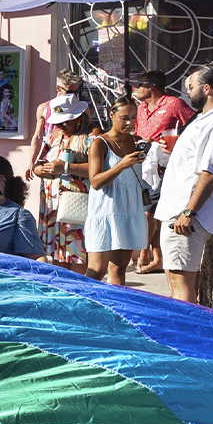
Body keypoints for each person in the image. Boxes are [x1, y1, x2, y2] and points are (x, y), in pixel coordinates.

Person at [154, 64, 213, 303]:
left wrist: (188, 211)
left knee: (181, 282)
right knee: (176, 278)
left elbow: (211, 172)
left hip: (186, 215)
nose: (187, 93)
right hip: (180, 210)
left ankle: (184, 338)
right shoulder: (207, 119)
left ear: (207, 88)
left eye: (190, 87)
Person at [129, 70, 193, 274]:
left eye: (139, 84)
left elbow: (192, 125)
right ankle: (157, 257)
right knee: (151, 209)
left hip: (164, 163)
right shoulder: (141, 108)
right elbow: (139, 133)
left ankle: (143, 251)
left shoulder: (173, 103)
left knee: (150, 208)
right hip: (143, 161)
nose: (135, 88)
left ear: (152, 86)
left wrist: (177, 143)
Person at [82, 98, 151, 285]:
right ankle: (82, 307)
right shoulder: (99, 143)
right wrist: (121, 165)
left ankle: (115, 311)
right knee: (96, 271)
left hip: (129, 210)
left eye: (133, 117)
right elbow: (95, 182)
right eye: (124, 118)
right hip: (105, 211)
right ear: (111, 116)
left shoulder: (137, 142)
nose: (129, 123)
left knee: (119, 269)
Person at [29, 95, 93, 269]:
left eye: (65, 121)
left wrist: (65, 167)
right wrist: (38, 170)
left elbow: (97, 170)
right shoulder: (54, 135)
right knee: (57, 254)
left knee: (78, 252)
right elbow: (40, 161)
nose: (61, 126)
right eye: (58, 122)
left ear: (78, 116)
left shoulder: (91, 136)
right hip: (53, 205)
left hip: (76, 205)